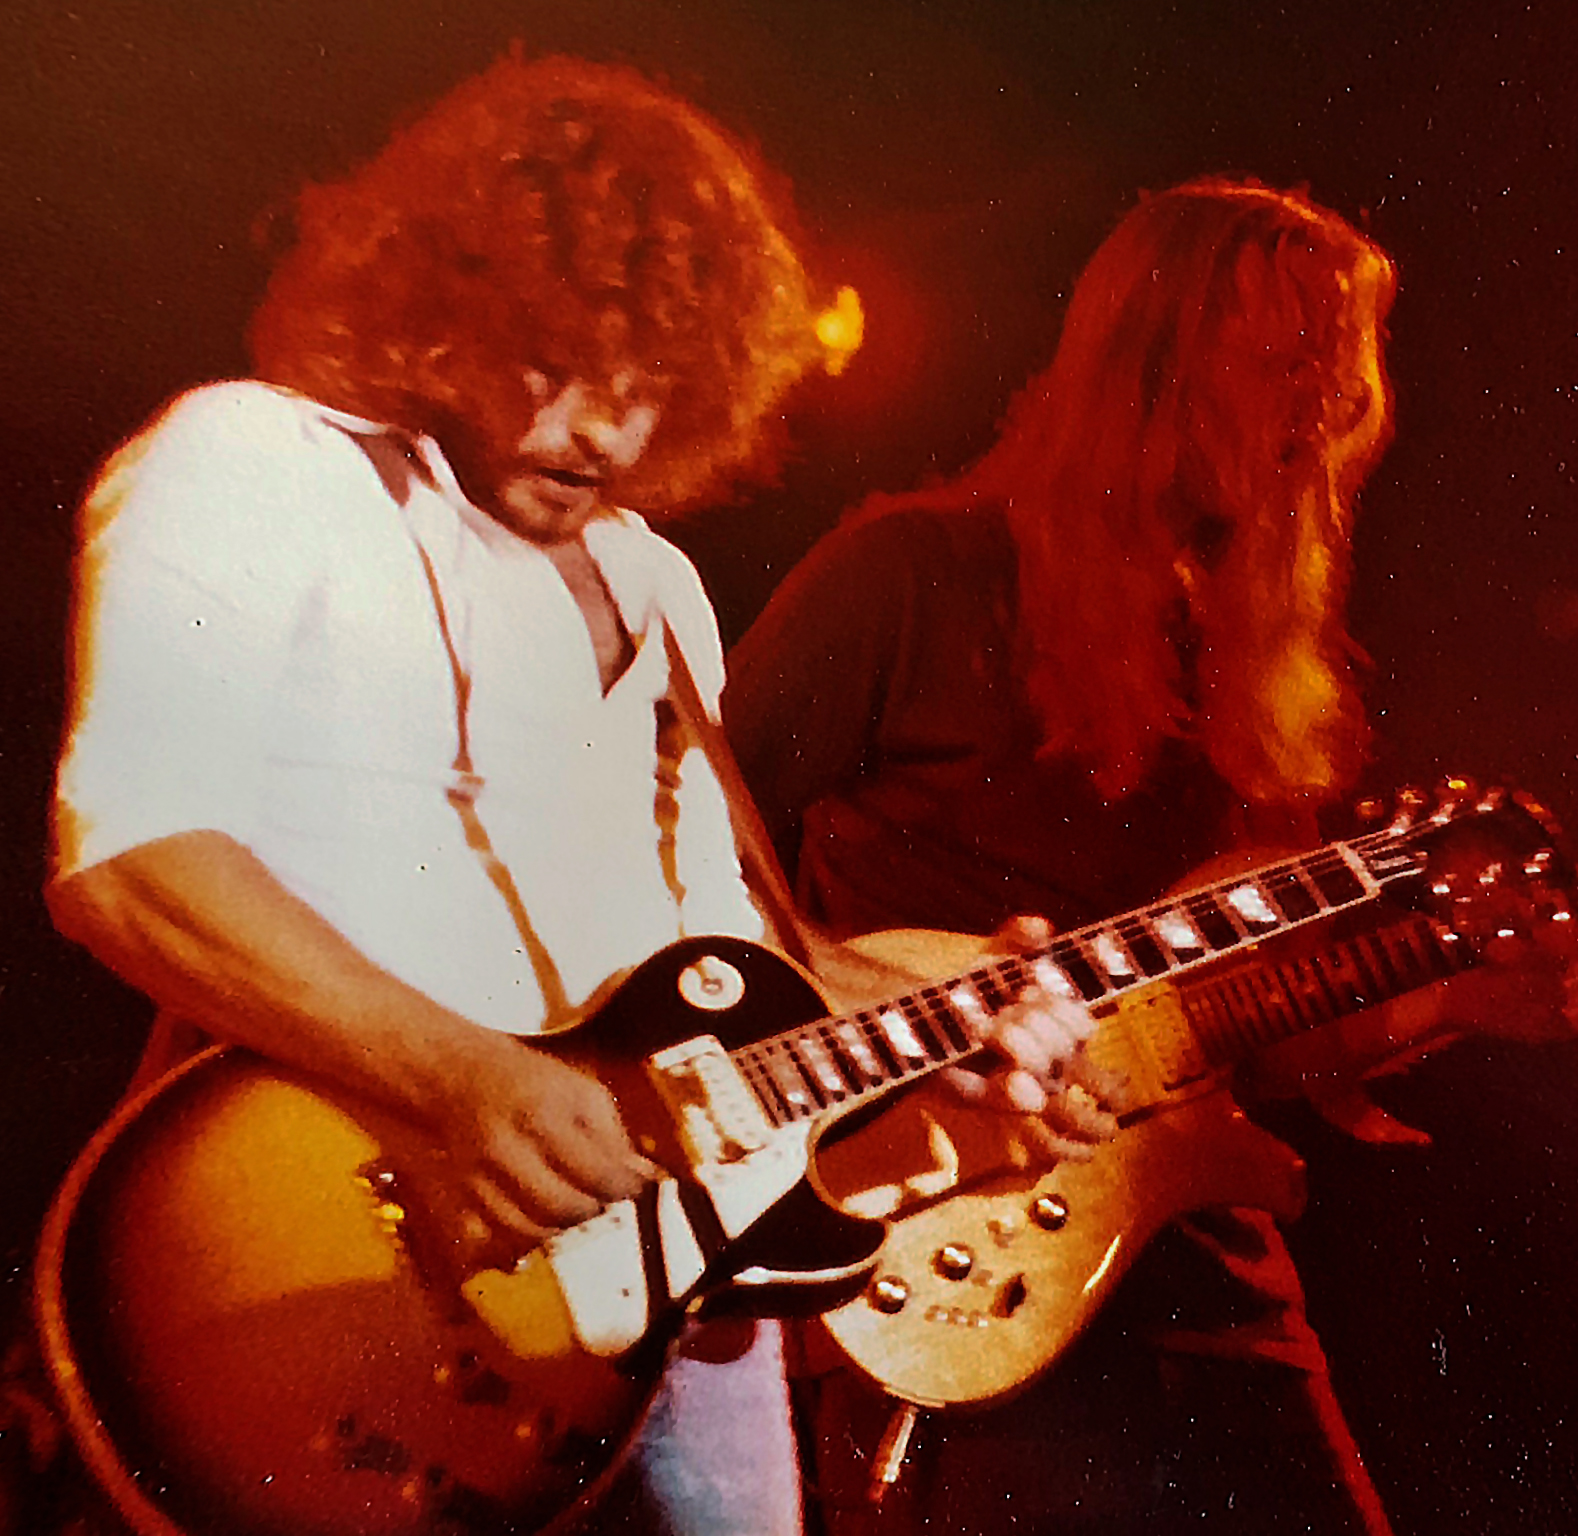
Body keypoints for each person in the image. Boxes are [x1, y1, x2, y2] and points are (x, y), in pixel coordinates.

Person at [30, 54, 1109, 1536]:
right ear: (441, 309)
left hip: (679, 1295)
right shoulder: (256, 460)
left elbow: (731, 958)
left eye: (649, 385)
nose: (600, 430)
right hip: (336, 1257)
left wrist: (937, 1031)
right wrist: (458, 1082)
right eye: (553, 361)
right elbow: (134, 857)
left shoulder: (662, 588)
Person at [724, 177, 1578, 1533]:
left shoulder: (1247, 659)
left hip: (1200, 1268)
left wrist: (1451, 998)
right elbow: (680, 867)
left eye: (1342, 370)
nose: (1325, 405)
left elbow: (1239, 1029)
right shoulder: (911, 575)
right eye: (1287, 359)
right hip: (949, 1248)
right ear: (1153, 364)